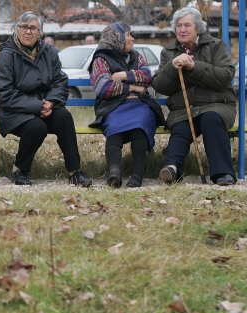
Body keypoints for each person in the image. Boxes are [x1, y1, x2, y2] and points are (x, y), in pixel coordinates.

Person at [0, 11, 92, 187]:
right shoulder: (6, 56)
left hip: (45, 104)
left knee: (64, 117)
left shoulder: (49, 52)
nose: (28, 31)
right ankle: (18, 170)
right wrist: (37, 106)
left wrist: (51, 102)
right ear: (16, 30)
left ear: (40, 32)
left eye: (33, 27)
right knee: (36, 127)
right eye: (23, 27)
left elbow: (60, 80)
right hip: (13, 110)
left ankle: (75, 172)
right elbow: (2, 92)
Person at [152, 7, 237, 186]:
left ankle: (222, 173)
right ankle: (172, 169)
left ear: (198, 28)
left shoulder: (215, 46)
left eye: (187, 25)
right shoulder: (168, 53)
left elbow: (224, 76)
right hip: (184, 108)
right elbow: (160, 86)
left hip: (216, 104)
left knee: (211, 119)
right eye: (179, 26)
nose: (182, 30)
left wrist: (194, 66)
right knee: (181, 129)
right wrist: (172, 67)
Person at [88, 22, 165, 188]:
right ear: (117, 39)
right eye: (128, 35)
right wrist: (134, 86)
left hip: (140, 104)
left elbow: (147, 77)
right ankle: (114, 172)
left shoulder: (137, 56)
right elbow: (104, 87)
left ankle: (137, 176)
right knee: (114, 130)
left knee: (140, 127)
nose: (132, 38)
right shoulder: (100, 59)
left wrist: (123, 75)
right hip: (113, 107)